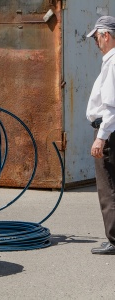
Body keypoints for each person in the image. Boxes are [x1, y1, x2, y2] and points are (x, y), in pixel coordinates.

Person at [86, 15, 115, 254]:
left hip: (109, 131)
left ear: (106, 35)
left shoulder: (112, 62)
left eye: (97, 37)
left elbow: (112, 107)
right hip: (110, 129)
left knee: (108, 187)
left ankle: (114, 239)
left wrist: (100, 137)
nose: (96, 42)